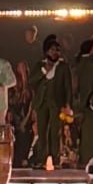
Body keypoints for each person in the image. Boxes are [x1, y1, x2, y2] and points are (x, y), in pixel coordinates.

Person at [30, 35, 75, 169]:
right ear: (47, 51)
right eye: (53, 50)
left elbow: (68, 87)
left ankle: (56, 160)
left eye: (58, 50)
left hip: (57, 103)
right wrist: (44, 71)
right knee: (41, 132)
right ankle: (41, 160)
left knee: (56, 132)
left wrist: (68, 105)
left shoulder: (63, 66)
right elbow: (31, 81)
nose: (56, 52)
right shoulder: (40, 65)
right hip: (42, 103)